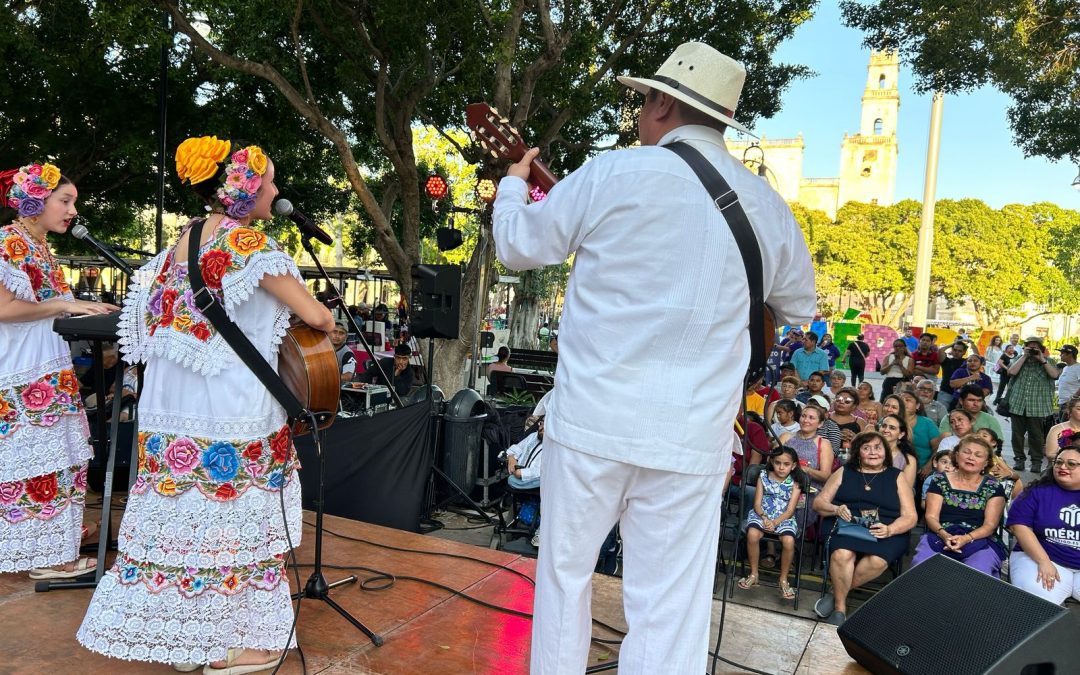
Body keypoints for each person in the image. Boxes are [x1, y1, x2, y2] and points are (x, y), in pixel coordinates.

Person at [491, 41, 816, 674]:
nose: (640, 113)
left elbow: (517, 246)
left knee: (564, 579)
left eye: (643, 101)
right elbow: (796, 306)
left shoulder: (614, 173)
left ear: (662, 102)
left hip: (591, 424)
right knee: (670, 606)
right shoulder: (768, 206)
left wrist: (511, 186)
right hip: (692, 437)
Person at [77, 137, 334, 672]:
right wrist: (319, 317)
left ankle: (192, 638)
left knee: (186, 523)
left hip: (171, 410)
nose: (276, 190)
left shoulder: (183, 241)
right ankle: (237, 644)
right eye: (270, 181)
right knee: (235, 523)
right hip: (229, 408)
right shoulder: (251, 246)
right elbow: (318, 316)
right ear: (245, 187)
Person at [0, 161, 116, 579]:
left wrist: (84, 309)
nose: (72, 211)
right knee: (36, 463)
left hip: (46, 367)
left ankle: (51, 542)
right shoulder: (8, 243)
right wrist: (66, 304)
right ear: (35, 201)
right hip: (24, 370)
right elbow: (4, 309)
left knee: (58, 460)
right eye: (64, 201)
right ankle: (48, 557)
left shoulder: (37, 244)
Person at [813, 431, 917, 626]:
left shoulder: (897, 476)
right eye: (866, 448)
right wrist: (836, 509)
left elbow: (911, 516)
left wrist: (890, 529)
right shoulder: (845, 471)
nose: (873, 452)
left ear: (886, 452)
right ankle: (840, 608)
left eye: (877, 448)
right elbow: (818, 503)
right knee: (842, 554)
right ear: (857, 452)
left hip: (885, 527)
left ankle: (835, 592)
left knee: (877, 561)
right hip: (847, 524)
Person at [912, 437, 1007, 577]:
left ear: (986, 463)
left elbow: (990, 525)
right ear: (956, 455)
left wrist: (966, 538)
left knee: (978, 570)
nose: (971, 457)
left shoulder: (993, 487)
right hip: (941, 534)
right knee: (921, 566)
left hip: (980, 537)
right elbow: (931, 516)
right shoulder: (939, 480)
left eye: (978, 455)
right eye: (966, 452)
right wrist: (945, 535)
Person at [1006, 447, 1080, 604]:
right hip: (1042, 558)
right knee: (1036, 599)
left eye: (1071, 464)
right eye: (1058, 462)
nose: (1063, 467)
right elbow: (1019, 526)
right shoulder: (1037, 492)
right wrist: (1043, 561)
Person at [737, 446, 804, 601]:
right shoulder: (763, 476)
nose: (781, 467)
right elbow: (757, 503)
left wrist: (775, 522)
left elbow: (790, 510)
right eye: (778, 463)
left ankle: (783, 579)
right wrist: (765, 518)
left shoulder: (796, 482)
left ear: (793, 465)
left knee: (789, 541)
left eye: (786, 464)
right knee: (752, 534)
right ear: (772, 462)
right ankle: (754, 573)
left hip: (784, 517)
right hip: (762, 514)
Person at [1006, 336, 1059, 473]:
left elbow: (1054, 375)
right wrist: (1024, 356)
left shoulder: (1049, 361)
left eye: (1035, 347)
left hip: (1037, 407)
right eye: (1030, 347)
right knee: (1017, 435)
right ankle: (1019, 459)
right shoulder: (1019, 359)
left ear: (1041, 349)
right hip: (1018, 404)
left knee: (1036, 436)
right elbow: (1011, 372)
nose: (1032, 349)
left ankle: (1036, 462)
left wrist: (1042, 359)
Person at [893, 388, 942, 475]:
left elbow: (938, 448)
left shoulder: (927, 423)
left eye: (908, 400)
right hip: (893, 467)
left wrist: (928, 465)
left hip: (921, 471)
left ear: (917, 406)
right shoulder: (889, 421)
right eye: (900, 399)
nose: (903, 402)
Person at [938, 383, 1004, 439]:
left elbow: (998, 443)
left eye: (979, 400)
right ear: (961, 401)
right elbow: (943, 441)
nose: (976, 404)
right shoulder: (950, 418)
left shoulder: (990, 420)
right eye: (971, 400)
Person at [877, 413, 918, 487]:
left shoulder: (909, 459)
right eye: (884, 426)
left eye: (892, 428)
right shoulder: (868, 453)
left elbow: (907, 489)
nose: (886, 430)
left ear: (901, 434)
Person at [507, 416, 544, 490]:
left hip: (537, 480)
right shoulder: (534, 436)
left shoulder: (556, 447)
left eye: (547, 425)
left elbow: (547, 471)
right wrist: (511, 458)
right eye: (541, 423)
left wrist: (523, 473)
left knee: (511, 480)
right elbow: (516, 448)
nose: (541, 428)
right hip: (518, 473)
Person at [830, 387, 866, 454]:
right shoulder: (824, 417)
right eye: (838, 399)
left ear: (854, 406)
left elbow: (867, 444)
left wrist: (855, 438)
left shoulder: (860, 422)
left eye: (847, 401)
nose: (842, 402)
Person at [1055, 345, 1080, 419]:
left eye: (1062, 353)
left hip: (1072, 404)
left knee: (1069, 425)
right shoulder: (1065, 368)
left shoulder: (1078, 367)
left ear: (1070, 354)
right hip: (1063, 403)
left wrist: (1074, 398)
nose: (1060, 355)